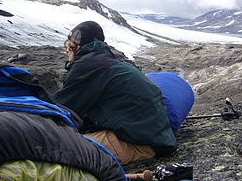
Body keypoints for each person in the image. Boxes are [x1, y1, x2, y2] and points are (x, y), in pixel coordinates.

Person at [51, 21, 177, 165]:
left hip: (138, 143)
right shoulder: (109, 61)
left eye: (68, 46)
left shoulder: (87, 66)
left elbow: (61, 109)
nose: (66, 51)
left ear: (76, 47)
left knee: (55, 149)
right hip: (152, 136)